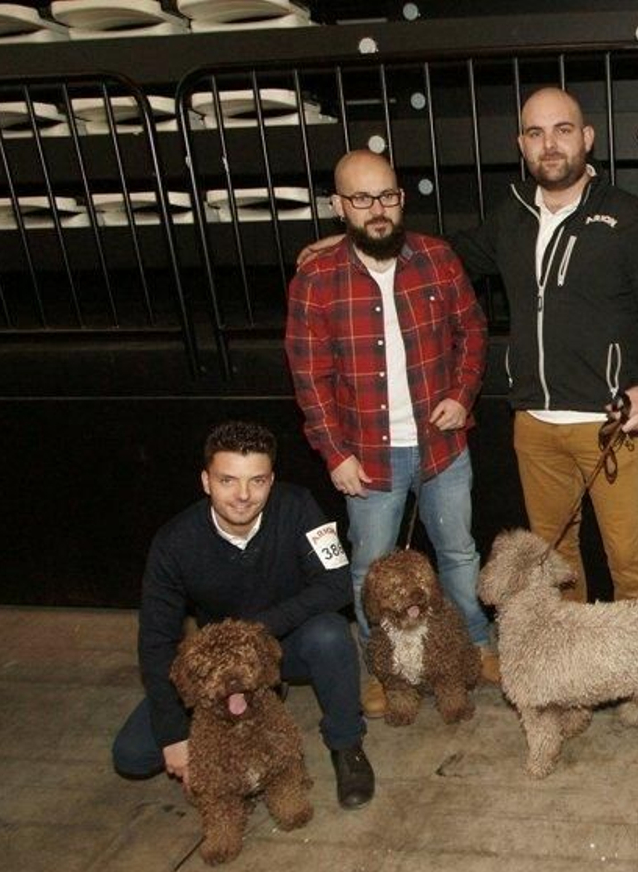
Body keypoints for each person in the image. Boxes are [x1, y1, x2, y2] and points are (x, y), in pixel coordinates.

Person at [451, 86, 638, 602]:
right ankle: (572, 673)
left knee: (629, 563)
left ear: (586, 138)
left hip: (609, 425)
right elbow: (439, 255)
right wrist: (355, 237)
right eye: (536, 133)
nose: (550, 144)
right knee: (555, 565)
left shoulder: (624, 215)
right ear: (522, 144)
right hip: (534, 426)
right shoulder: (510, 215)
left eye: (562, 130)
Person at [286, 149, 493, 716]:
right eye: (361, 198)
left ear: (400, 198)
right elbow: (310, 377)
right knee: (367, 570)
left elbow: (472, 331)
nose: (377, 210)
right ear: (338, 206)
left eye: (387, 196)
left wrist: (461, 393)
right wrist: (333, 454)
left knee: (458, 553)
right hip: (367, 457)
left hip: (442, 447)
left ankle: (476, 642)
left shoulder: (436, 258)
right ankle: (379, 667)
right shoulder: (316, 280)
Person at [111, 421, 374, 809]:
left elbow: (335, 584)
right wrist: (175, 735)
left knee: (330, 633)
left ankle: (346, 743)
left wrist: (256, 631)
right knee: (133, 755)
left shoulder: (299, 506)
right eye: (227, 481)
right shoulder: (174, 543)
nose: (243, 496)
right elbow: (156, 643)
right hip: (218, 664)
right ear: (205, 481)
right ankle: (238, 711)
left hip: (285, 644)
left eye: (257, 481)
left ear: (271, 480)